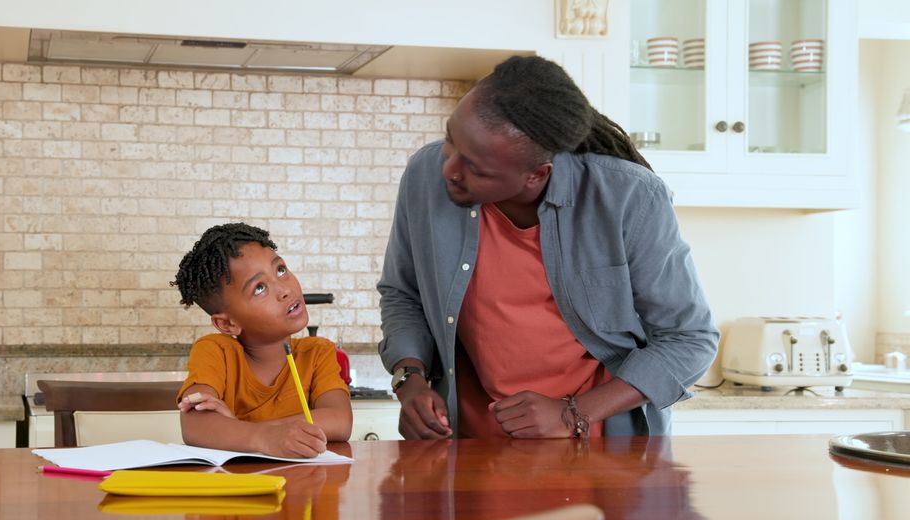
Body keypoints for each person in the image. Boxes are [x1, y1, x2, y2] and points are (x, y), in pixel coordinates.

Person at [377, 55, 718, 440]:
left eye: (477, 169)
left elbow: (689, 339)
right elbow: (402, 294)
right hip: (471, 445)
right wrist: (410, 378)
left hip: (600, 452)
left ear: (536, 175)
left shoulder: (629, 197)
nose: (449, 171)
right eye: (450, 141)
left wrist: (573, 415)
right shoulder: (424, 176)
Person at [172, 222, 352, 457]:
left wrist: (238, 429)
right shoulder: (215, 351)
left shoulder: (317, 353)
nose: (284, 289)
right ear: (227, 324)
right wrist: (267, 438)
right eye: (259, 288)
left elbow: (340, 421)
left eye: (280, 270)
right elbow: (195, 426)